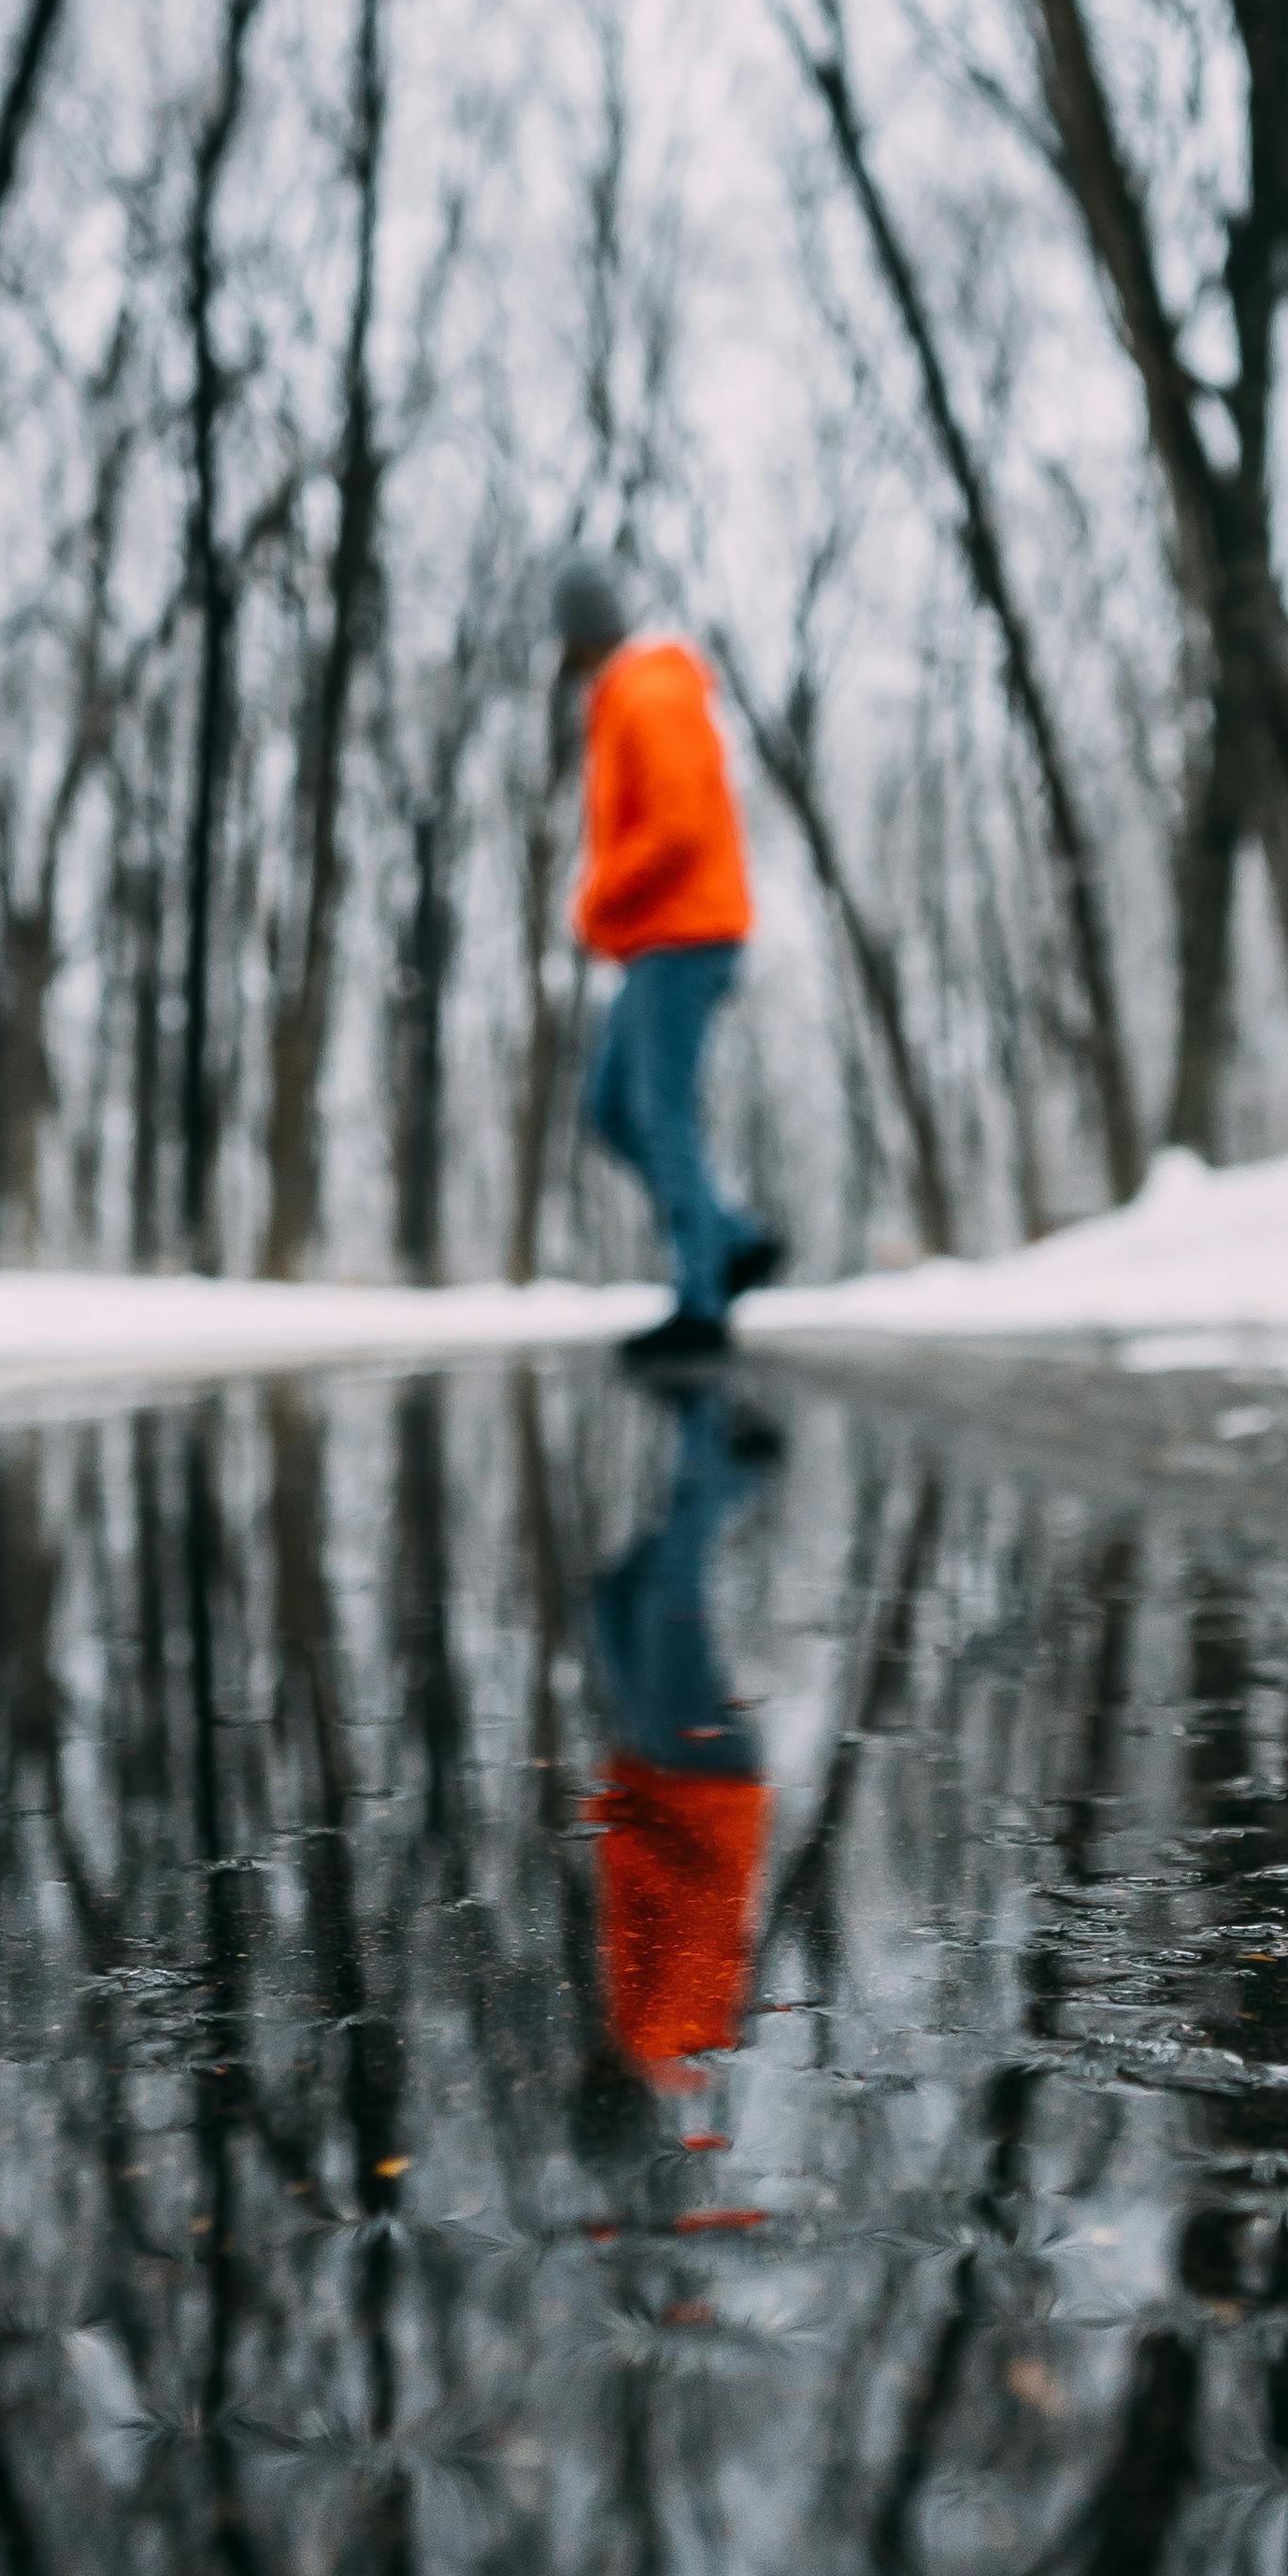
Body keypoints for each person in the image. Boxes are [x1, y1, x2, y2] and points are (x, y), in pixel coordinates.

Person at [551, 550, 781, 1369]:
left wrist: (596, 898)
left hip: (682, 934)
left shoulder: (646, 693)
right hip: (663, 938)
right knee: (614, 1105)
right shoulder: (628, 696)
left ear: (579, 636)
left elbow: (679, 824)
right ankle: (728, 1239)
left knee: (661, 1113)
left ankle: (701, 1299)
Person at [586, 1383, 775, 2085]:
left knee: (615, 1597)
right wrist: (622, 1827)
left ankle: (735, 1467)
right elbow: (699, 1907)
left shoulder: (646, 2036)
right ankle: (707, 1416)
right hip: (701, 1784)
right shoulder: (668, 2035)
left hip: (660, 1773)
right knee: (673, 1591)